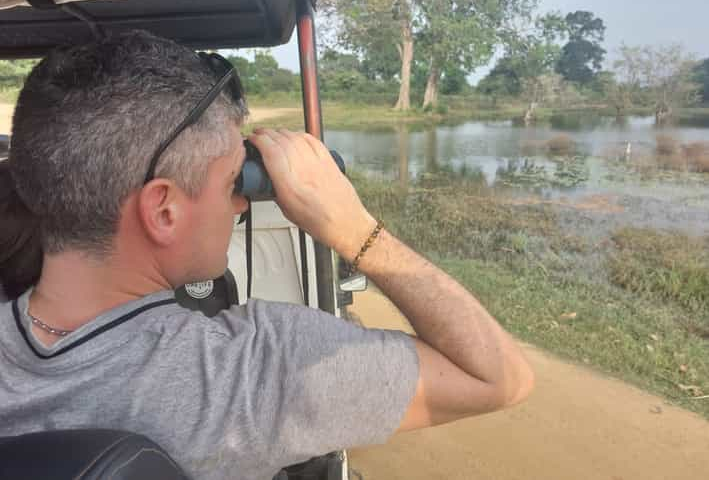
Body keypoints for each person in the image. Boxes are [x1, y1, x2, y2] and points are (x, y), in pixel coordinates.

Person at [0, 31, 534, 480]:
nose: (239, 203)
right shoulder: (249, 373)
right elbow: (499, 377)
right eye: (234, 181)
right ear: (163, 210)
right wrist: (355, 230)